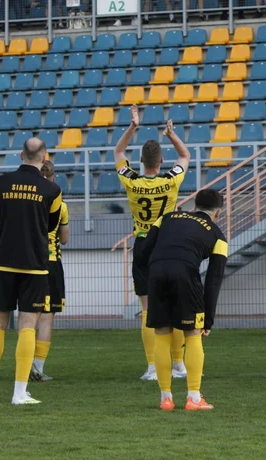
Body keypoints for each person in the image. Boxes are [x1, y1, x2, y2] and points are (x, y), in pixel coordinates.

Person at [0, 137, 63, 405]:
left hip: (3, 262)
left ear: (20, 154)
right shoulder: (52, 190)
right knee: (28, 327)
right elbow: (50, 227)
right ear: (45, 156)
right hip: (35, 266)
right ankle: (19, 392)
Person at [114, 108, 191, 382]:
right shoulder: (170, 181)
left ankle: (151, 367)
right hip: (168, 243)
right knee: (174, 305)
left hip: (143, 243)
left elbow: (118, 153)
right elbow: (185, 156)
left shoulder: (131, 181)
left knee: (148, 309)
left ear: (141, 161)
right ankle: (179, 365)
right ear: (160, 160)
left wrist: (133, 127)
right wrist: (171, 135)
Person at [141, 189, 228, 412]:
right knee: (193, 335)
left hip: (157, 271)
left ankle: (166, 399)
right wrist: (207, 319)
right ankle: (194, 398)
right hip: (185, 274)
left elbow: (144, 250)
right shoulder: (218, 234)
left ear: (195, 205)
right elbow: (214, 279)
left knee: (161, 334)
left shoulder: (167, 217)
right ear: (218, 213)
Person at [31, 160, 70, 382]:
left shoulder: (30, 202)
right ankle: (38, 367)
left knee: (29, 318)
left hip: (31, 262)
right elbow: (64, 239)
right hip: (52, 263)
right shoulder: (60, 204)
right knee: (46, 320)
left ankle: (24, 365)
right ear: (53, 179)